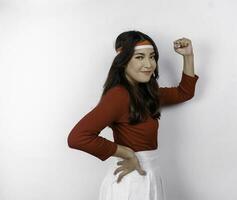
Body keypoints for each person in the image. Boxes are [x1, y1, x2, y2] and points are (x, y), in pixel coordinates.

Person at [67, 30, 199, 200]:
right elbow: (78, 137)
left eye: (152, 56)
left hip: (148, 176)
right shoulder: (118, 95)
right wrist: (126, 153)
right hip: (130, 181)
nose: (149, 64)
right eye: (139, 57)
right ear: (123, 62)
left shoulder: (148, 93)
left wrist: (188, 56)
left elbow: (185, 92)